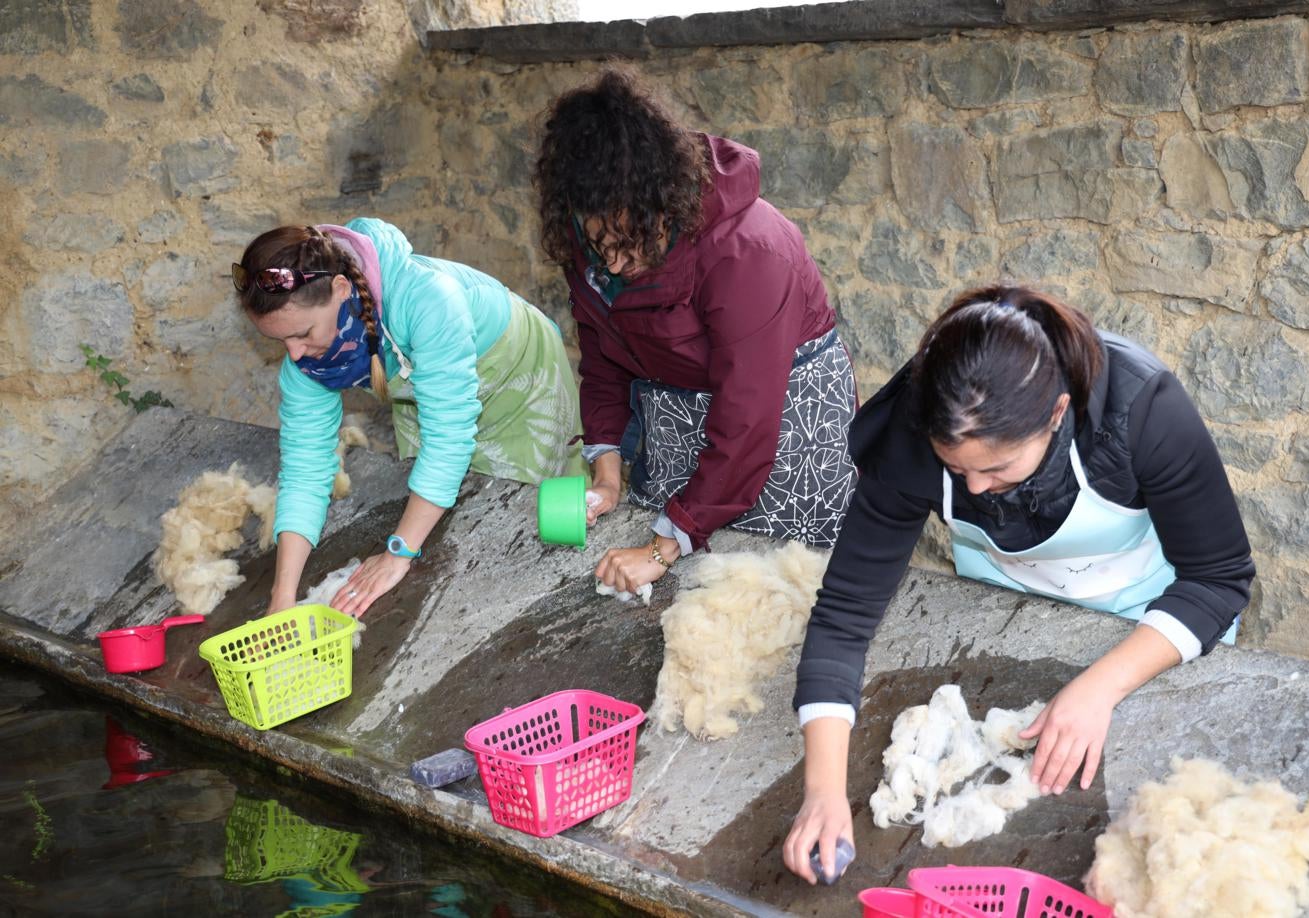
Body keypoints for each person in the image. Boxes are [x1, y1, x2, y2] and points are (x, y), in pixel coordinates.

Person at [782, 285, 1255, 884]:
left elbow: (1219, 579)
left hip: (1155, 623)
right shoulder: (916, 423)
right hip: (1009, 610)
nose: (975, 489)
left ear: (1057, 413)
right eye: (957, 469)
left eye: (998, 468)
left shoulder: (1141, 407)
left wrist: (1097, 689)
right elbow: (845, 613)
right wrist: (821, 793)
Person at [533, 68, 858, 593]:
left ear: (663, 199)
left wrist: (661, 550)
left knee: (782, 588)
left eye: (630, 242)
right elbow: (601, 355)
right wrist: (608, 472)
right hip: (681, 420)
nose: (614, 265)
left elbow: (748, 418)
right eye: (601, 246)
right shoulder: (594, 226)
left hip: (782, 426)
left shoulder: (749, 250)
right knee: (696, 587)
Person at [234, 218, 581, 617]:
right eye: (281, 341)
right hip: (427, 384)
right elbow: (305, 470)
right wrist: (283, 597)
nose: (294, 354)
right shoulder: (308, 364)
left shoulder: (427, 299)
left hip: (513, 373)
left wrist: (397, 552)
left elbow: (448, 437)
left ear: (340, 289)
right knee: (446, 505)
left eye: (303, 333)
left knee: (527, 509)